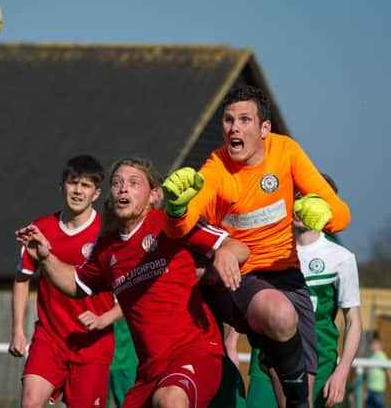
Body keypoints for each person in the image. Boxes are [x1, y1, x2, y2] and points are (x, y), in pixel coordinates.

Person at [162, 85, 351, 408]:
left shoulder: (286, 152)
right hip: (239, 275)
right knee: (278, 313)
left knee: (299, 389)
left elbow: (341, 216)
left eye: (244, 120)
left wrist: (325, 214)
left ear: (265, 129)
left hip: (287, 275)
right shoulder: (216, 168)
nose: (234, 128)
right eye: (228, 120)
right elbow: (177, 227)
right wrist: (177, 209)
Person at [16, 157, 250, 408]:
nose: (123, 188)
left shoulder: (170, 223)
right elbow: (76, 284)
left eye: (133, 182)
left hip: (195, 351)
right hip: (150, 370)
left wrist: (225, 253)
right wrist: (46, 257)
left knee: (170, 400)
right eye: (117, 183)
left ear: (154, 195)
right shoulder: (107, 248)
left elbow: (237, 247)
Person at [238, 174, 362, 408]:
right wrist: (232, 345)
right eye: (298, 197)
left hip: (319, 364)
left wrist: (342, 372)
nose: (301, 204)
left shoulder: (341, 258)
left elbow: (354, 320)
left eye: (311, 199)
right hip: (268, 361)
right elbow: (246, 299)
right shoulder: (267, 251)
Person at [8, 154, 120, 408]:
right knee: (30, 402)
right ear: (62, 186)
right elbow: (22, 279)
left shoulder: (109, 234)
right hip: (50, 337)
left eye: (86, 185)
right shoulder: (40, 229)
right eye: (73, 183)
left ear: (96, 193)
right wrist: (17, 331)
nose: (78, 191)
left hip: (93, 343)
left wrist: (106, 318)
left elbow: (133, 288)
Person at [366, 331, 391, 408]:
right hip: (370, 388)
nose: (372, 345)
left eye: (374, 343)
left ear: (379, 345)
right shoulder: (370, 357)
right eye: (371, 343)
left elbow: (388, 370)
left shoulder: (381, 355)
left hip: (378, 389)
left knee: (379, 405)